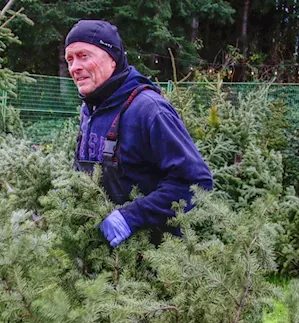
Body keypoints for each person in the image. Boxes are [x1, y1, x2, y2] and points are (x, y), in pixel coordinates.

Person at [64, 20, 214, 247]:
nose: (74, 67)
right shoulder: (90, 111)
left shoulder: (149, 110)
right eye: (70, 59)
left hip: (153, 258)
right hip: (101, 259)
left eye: (84, 56)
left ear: (112, 59)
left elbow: (196, 182)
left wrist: (131, 217)